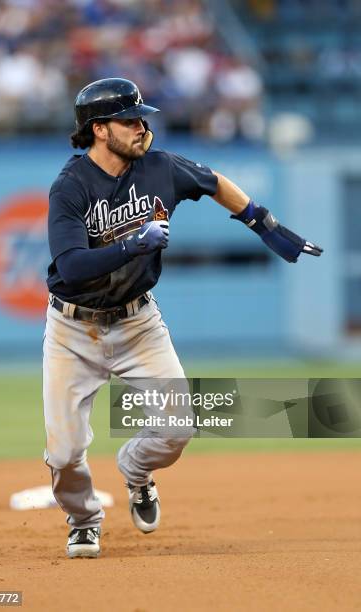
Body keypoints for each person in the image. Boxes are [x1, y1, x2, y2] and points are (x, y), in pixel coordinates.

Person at [43, 77, 322, 559]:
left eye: (143, 117)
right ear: (99, 128)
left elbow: (214, 183)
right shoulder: (71, 186)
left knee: (177, 428)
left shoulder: (161, 167)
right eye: (130, 120)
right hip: (73, 329)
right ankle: (84, 518)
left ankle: (135, 471)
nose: (142, 126)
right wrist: (133, 242)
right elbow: (69, 265)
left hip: (137, 322)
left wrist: (262, 222)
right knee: (65, 453)